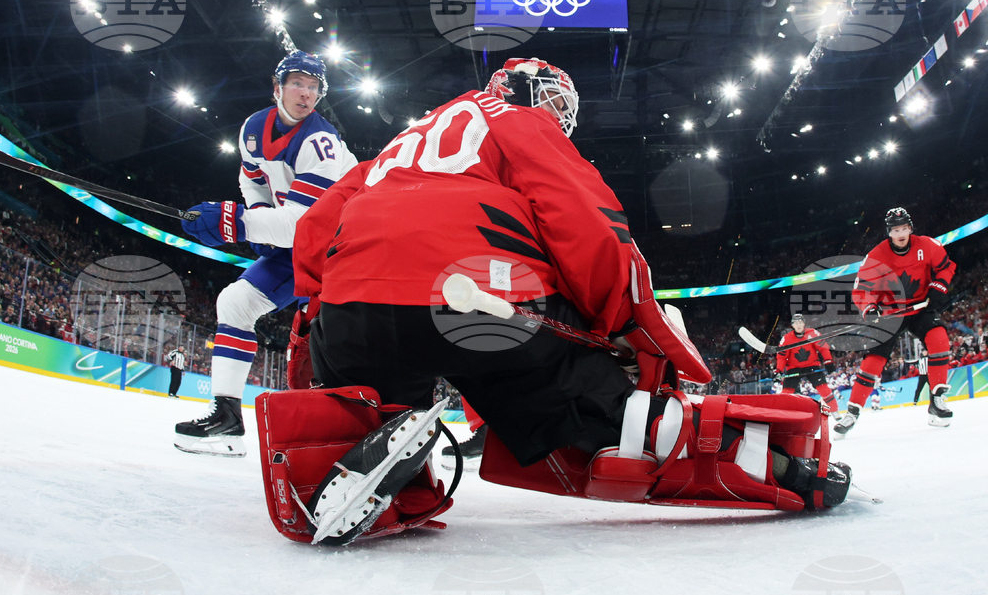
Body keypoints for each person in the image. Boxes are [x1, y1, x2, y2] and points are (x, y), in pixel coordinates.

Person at [288, 58, 852, 544]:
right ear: (522, 90)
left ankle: (384, 441)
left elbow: (313, 231)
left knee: (377, 395)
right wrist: (620, 323)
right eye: (554, 99)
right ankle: (786, 471)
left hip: (353, 308)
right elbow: (588, 224)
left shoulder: (399, 145)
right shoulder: (515, 119)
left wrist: (320, 314)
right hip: (483, 297)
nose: (560, 115)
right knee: (599, 408)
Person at [173, 50, 358, 457]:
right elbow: (251, 179)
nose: (305, 93)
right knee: (235, 302)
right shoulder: (254, 128)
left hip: (345, 248)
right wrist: (256, 213)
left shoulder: (321, 141)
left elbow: (303, 223)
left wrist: (237, 223)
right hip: (303, 247)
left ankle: (357, 430)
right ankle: (226, 417)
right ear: (277, 88)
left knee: (338, 345)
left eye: (313, 87)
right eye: (297, 83)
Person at [836, 207, 956, 436]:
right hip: (890, 313)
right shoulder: (876, 256)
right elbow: (862, 289)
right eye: (895, 229)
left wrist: (939, 286)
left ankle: (937, 400)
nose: (900, 233)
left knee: (939, 338)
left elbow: (945, 267)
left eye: (904, 228)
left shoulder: (928, 245)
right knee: (874, 359)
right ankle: (852, 412)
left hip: (920, 306)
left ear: (910, 228)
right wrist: (869, 308)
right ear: (889, 232)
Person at [775, 313, 838, 412]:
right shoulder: (787, 338)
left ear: (804, 323)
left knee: (823, 388)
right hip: (793, 367)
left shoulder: (813, 333)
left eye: (800, 322)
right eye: (796, 323)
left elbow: (823, 349)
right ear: (792, 325)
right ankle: (781, 412)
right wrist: (778, 370)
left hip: (812, 365)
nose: (798, 325)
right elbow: (782, 357)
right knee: (787, 391)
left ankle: (835, 411)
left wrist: (828, 362)